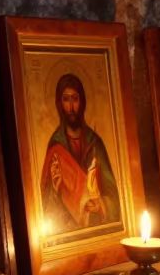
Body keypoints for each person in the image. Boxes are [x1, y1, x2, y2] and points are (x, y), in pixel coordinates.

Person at [40, 73, 121, 233]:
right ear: (59, 103)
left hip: (96, 227)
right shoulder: (56, 147)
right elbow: (46, 211)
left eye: (75, 99)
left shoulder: (95, 143)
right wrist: (57, 191)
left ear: (82, 102)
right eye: (66, 99)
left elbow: (113, 194)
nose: (71, 107)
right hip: (68, 232)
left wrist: (101, 204)